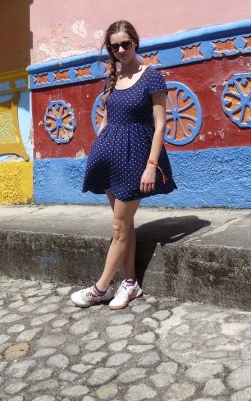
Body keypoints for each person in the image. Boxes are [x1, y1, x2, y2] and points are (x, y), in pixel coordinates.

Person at [71, 20, 176, 309]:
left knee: (118, 227)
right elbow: (106, 119)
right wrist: (98, 146)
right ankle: (130, 284)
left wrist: (152, 165)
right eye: (114, 45)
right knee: (125, 224)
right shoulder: (112, 79)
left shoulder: (151, 76)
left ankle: (100, 288)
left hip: (135, 159)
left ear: (135, 43)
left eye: (125, 43)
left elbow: (160, 124)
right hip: (108, 159)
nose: (120, 49)